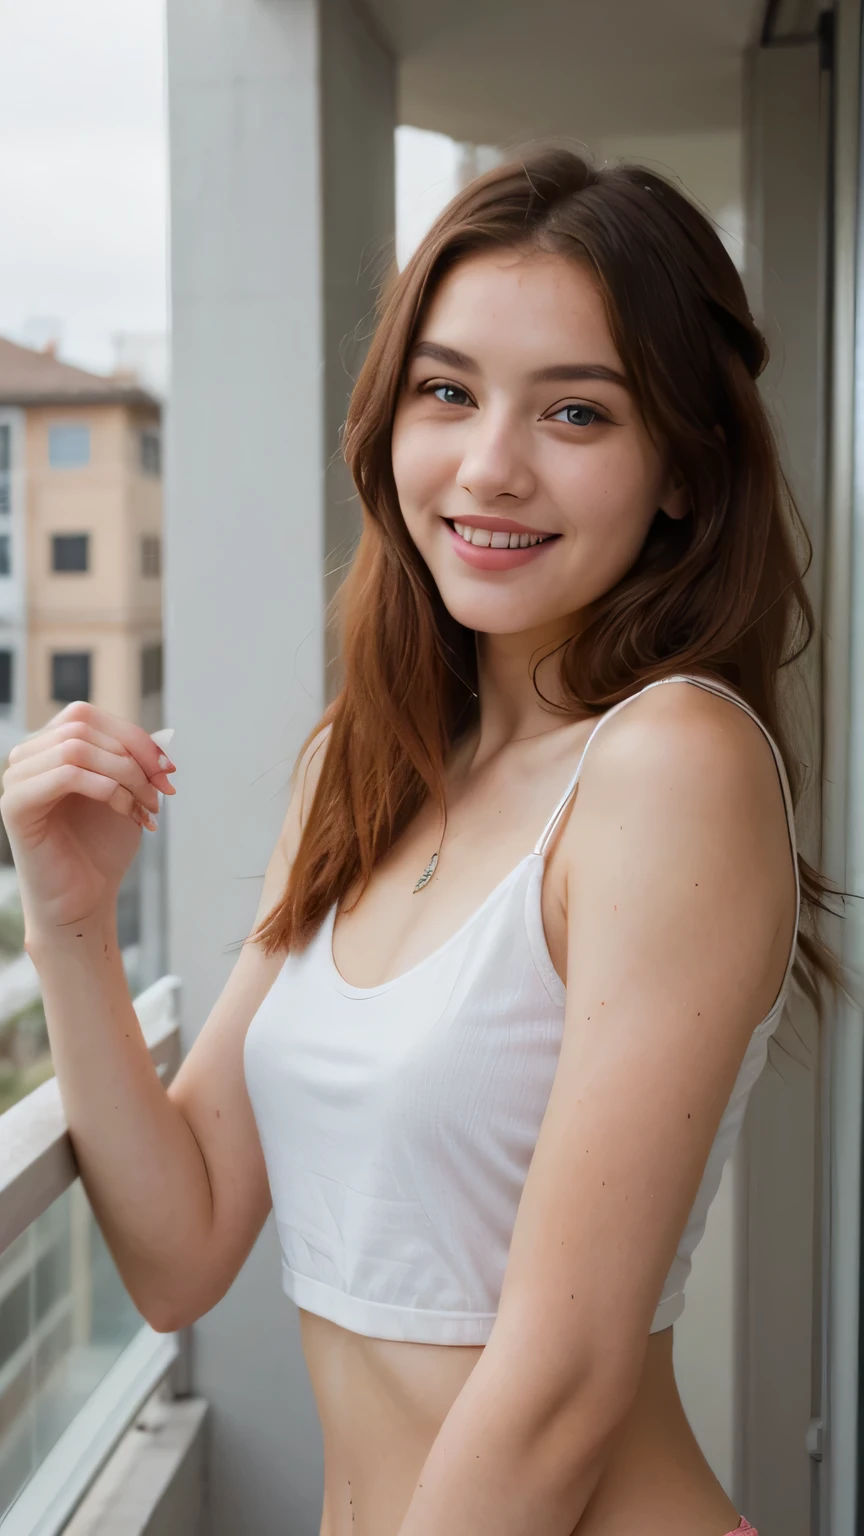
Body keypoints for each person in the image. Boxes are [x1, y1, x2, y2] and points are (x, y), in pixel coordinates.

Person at [1, 147, 849, 1536]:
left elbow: (564, 1386)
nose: (489, 466)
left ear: (683, 471)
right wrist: (73, 921)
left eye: (576, 413)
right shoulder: (365, 762)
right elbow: (182, 1248)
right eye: (446, 393)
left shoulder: (671, 764)